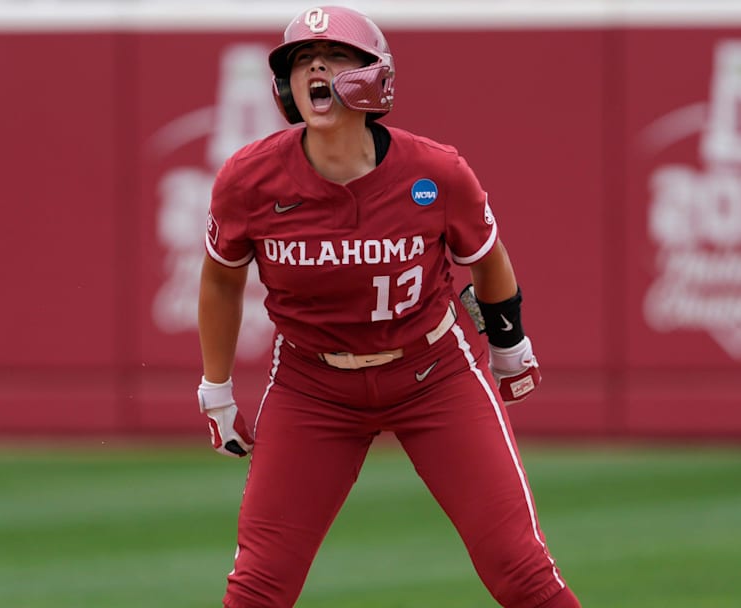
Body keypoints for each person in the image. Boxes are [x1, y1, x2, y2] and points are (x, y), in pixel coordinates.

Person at [196, 6, 581, 607]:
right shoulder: (249, 179)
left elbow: (487, 257)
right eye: (301, 59)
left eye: (338, 55)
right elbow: (220, 281)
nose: (317, 66)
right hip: (312, 384)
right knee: (258, 588)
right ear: (284, 86)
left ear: (377, 75)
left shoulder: (435, 170)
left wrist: (510, 347)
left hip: (433, 374)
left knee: (521, 570)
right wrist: (215, 389)